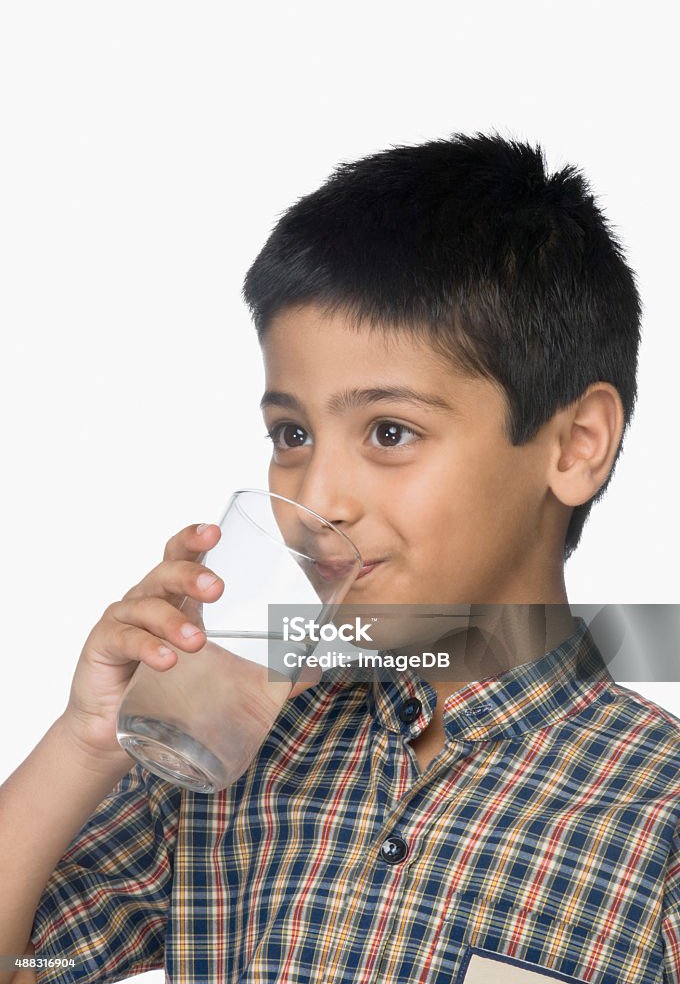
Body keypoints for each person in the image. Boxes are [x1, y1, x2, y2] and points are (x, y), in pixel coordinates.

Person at [2, 132, 678, 984]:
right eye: (291, 434)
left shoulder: (658, 819)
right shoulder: (233, 751)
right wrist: (86, 742)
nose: (318, 499)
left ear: (576, 445)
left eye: (390, 432)